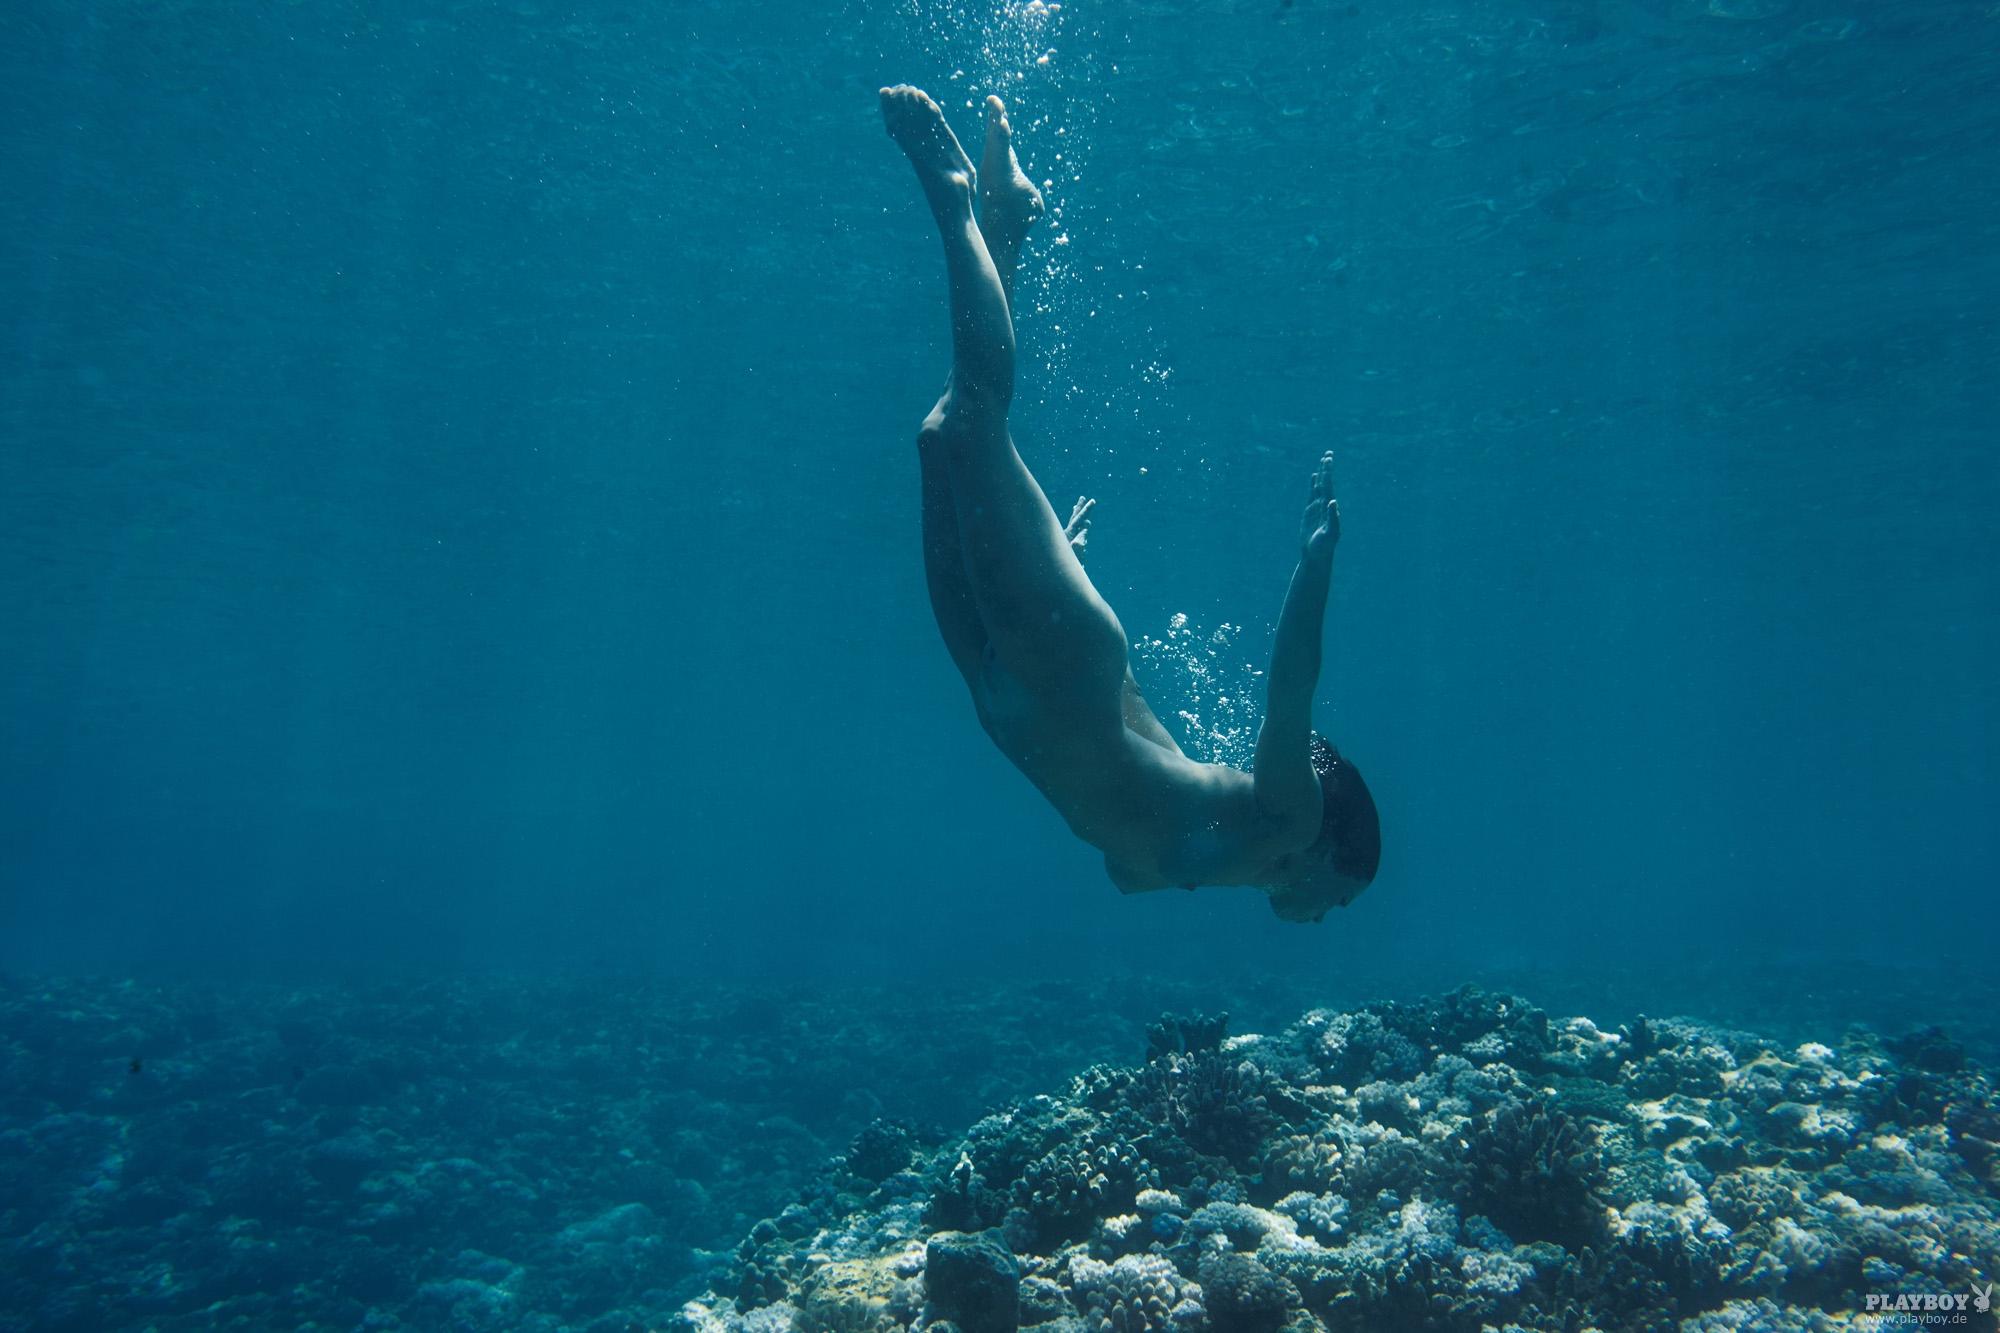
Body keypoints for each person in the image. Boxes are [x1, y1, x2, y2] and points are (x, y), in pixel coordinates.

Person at [882, 85, 1379, 922]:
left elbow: (1136, 718)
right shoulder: (1285, 822)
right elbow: (1292, 691)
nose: (1329, 914)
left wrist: (1060, 564)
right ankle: (955, 198)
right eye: (1343, 898)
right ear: (1331, 853)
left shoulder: (1205, 850)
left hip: (1002, 685)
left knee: (941, 436)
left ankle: (1006, 221)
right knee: (972, 418)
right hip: (1051, 671)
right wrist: (1314, 566)